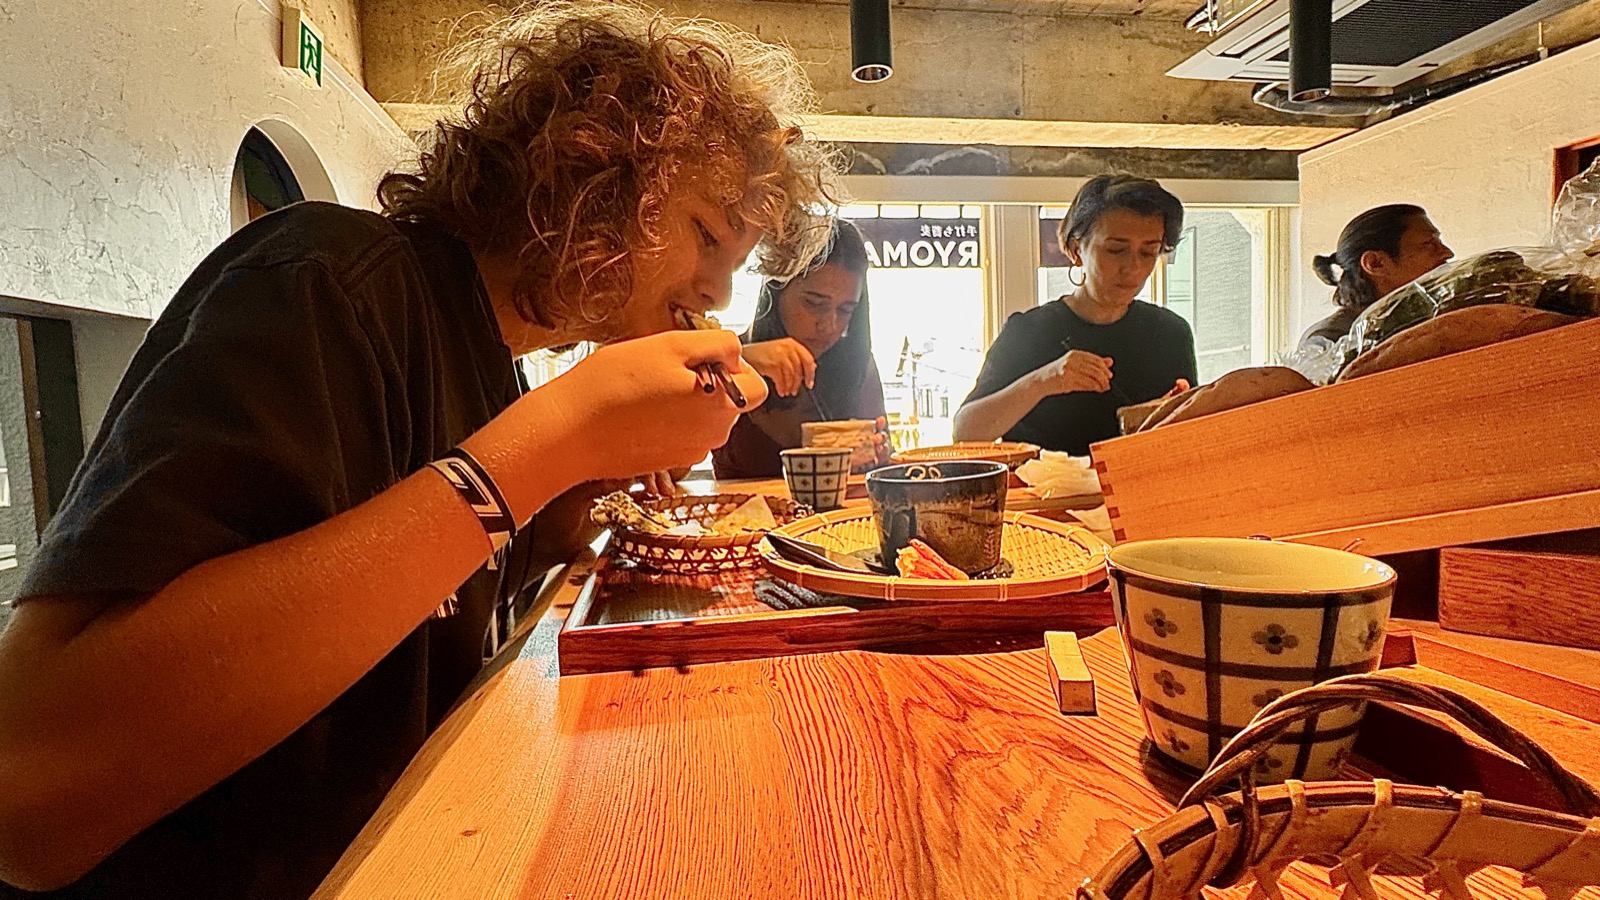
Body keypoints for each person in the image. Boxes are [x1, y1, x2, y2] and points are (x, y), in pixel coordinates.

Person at [0, 4, 834, 898]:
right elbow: (28, 797)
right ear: (595, 168)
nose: (718, 288)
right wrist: (551, 444)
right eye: (709, 236)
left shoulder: (488, 363)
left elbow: (402, 611)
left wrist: (565, 503)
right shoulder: (327, 284)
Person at [952, 175, 1197, 455]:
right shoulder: (1028, 332)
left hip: (1141, 494)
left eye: (1148, 252)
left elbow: (1192, 441)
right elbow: (965, 432)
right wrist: (1046, 380)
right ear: (1075, 249)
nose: (1133, 267)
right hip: (1046, 496)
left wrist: (1175, 413)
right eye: (1116, 249)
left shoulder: (1170, 334)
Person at [713, 219, 889, 479]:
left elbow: (883, 477)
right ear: (776, 290)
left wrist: (877, 461)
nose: (829, 326)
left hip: (843, 520)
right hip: (741, 517)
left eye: (845, 310)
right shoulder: (725, 359)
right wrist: (742, 360)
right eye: (815, 304)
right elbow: (673, 468)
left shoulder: (856, 364)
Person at [1301, 204, 1454, 347]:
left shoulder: (1418, 318)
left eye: (1439, 241)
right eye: (1429, 243)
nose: (1448, 253)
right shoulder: (1332, 340)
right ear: (1375, 263)